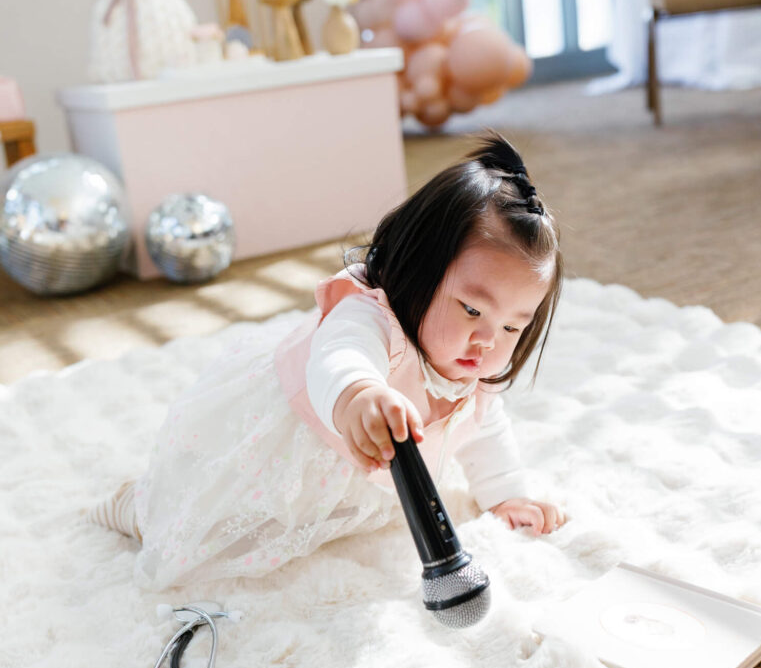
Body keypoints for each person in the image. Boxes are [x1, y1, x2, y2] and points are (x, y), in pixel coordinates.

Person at [90, 131, 566, 590]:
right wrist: (359, 393)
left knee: (309, 520)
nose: (487, 340)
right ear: (418, 270)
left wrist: (507, 494)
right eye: (472, 310)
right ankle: (137, 505)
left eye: (512, 327)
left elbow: (483, 429)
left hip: (345, 480)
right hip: (285, 445)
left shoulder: (473, 371)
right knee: (209, 526)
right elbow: (339, 357)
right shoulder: (369, 315)